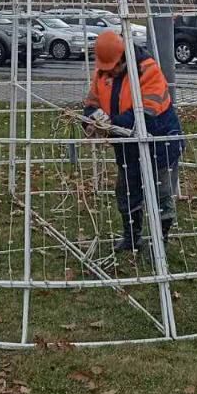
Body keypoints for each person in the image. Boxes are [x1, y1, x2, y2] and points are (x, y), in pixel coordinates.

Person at [83, 29, 183, 252]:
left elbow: (146, 112)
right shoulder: (102, 73)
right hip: (126, 145)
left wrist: (111, 124)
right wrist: (91, 119)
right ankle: (131, 237)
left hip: (159, 142)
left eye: (113, 67)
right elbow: (91, 102)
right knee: (127, 191)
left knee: (160, 192)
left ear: (123, 57)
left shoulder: (147, 70)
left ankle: (161, 241)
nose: (110, 72)